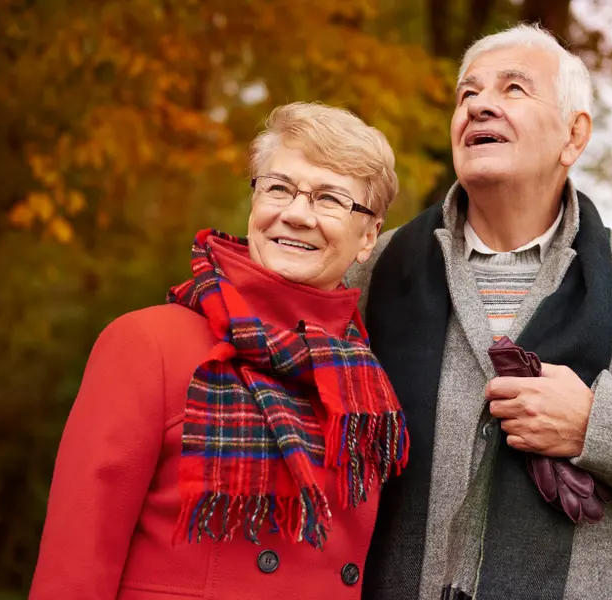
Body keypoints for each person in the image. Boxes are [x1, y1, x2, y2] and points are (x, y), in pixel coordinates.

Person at [347, 23, 612, 600]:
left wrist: (597, 426)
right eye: (468, 93)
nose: (481, 105)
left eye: (513, 89)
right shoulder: (373, 271)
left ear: (574, 136)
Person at [29, 102, 407, 600]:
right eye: (279, 187)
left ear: (369, 236)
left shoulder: (364, 381)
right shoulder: (147, 345)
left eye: (330, 199)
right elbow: (74, 568)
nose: (295, 214)